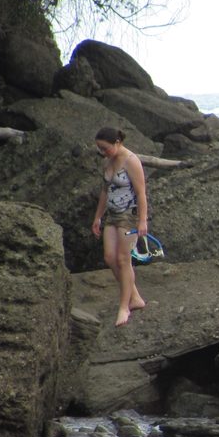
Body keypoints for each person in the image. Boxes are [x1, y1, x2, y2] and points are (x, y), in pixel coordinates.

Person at [91, 127, 148, 326]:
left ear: (117, 142)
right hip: (112, 215)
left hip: (129, 216)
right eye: (99, 149)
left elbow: (141, 193)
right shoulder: (108, 161)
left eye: (105, 148)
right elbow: (105, 191)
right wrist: (98, 217)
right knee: (109, 257)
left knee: (124, 259)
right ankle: (135, 297)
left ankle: (124, 307)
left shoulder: (131, 160)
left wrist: (142, 220)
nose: (102, 152)